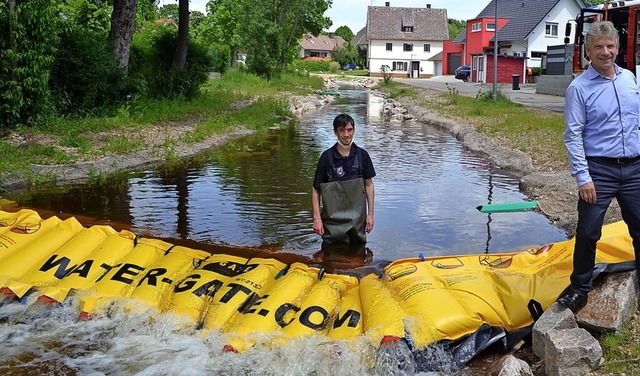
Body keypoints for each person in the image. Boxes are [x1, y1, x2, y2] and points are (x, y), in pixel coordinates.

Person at [558, 20, 640, 312]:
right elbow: (573, 135)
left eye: (611, 46)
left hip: (634, 169)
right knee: (589, 232)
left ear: (617, 48)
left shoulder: (631, 79)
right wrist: (583, 178)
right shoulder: (579, 88)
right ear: (587, 52)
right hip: (599, 172)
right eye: (599, 48)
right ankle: (580, 288)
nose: (606, 52)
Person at [312, 114, 376, 247]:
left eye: (349, 130)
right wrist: (317, 219)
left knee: (358, 258)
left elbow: (369, 185)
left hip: (357, 224)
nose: (346, 134)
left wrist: (370, 215)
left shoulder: (362, 155)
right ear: (335, 132)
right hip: (332, 225)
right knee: (330, 256)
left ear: (354, 130)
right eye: (341, 130)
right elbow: (316, 189)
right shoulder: (326, 157)